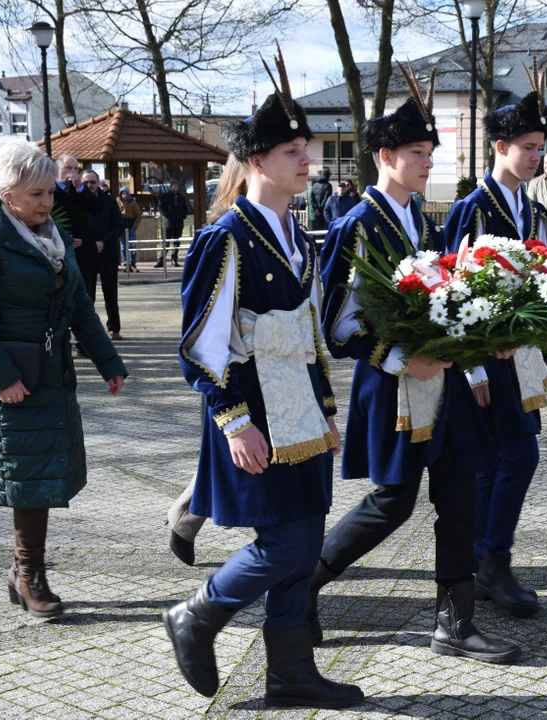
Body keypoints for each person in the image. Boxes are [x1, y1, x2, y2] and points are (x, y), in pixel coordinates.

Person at [162, 52, 362, 709]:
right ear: (257, 162)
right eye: (291, 151)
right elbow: (200, 347)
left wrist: (326, 410)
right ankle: (197, 614)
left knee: (304, 541)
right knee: (289, 542)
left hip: (299, 414)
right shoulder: (225, 238)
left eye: (306, 149)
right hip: (254, 417)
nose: (307, 161)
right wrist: (233, 421)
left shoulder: (296, 237)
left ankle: (290, 675)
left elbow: (307, 340)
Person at [316, 64, 518, 662]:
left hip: (445, 383)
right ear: (384, 155)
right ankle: (296, 588)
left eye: (431, 152)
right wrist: (403, 358)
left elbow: (442, 306)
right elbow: (337, 327)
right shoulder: (358, 224)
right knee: (392, 503)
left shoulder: (419, 218)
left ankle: (455, 625)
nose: (428, 162)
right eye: (416, 152)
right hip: (396, 388)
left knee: (461, 496)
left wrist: (477, 357)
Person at [0, 142, 127, 620]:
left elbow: (79, 307)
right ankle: (30, 575)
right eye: (37, 194)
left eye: (50, 192)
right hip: (8, 377)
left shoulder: (50, 237)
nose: (48, 202)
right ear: (7, 194)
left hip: (48, 372)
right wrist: (2, 375)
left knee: (42, 474)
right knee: (29, 478)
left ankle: (21, 572)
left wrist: (108, 362)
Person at [443, 70, 547, 620]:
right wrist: (468, 366)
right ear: (499, 146)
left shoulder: (536, 212)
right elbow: (450, 290)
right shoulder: (473, 208)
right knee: (515, 456)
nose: (536, 158)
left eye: (541, 149)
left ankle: (484, 557)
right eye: (527, 148)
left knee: (505, 460)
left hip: (524, 359)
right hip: (483, 359)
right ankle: (491, 559)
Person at [165, 157, 250, 567]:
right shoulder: (220, 237)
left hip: (273, 376)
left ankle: (186, 515)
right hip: (230, 373)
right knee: (234, 460)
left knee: (238, 464)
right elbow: (202, 330)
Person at [81, 171, 125, 340]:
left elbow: (118, 226)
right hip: (86, 253)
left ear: (98, 183)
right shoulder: (78, 201)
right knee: (87, 294)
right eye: (86, 182)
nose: (89, 185)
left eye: (93, 182)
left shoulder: (109, 201)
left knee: (111, 293)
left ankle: (114, 328)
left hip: (108, 253)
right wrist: (91, 244)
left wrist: (103, 242)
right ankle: (88, 330)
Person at [156, 180, 190, 267]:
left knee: (176, 242)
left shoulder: (181, 197)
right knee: (166, 241)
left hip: (179, 223)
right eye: (173, 186)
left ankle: (174, 259)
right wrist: (165, 214)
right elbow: (160, 207)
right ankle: (161, 260)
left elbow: (186, 209)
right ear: (170, 187)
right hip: (169, 222)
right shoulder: (165, 196)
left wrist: (183, 215)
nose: (175, 187)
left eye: (176, 186)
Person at [117, 187, 141, 272]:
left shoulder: (133, 202)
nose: (124, 195)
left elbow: (138, 215)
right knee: (123, 246)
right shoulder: (118, 202)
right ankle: (126, 264)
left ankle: (133, 263)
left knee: (132, 245)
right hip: (122, 226)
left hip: (131, 226)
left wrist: (135, 226)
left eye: (126, 194)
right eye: (123, 194)